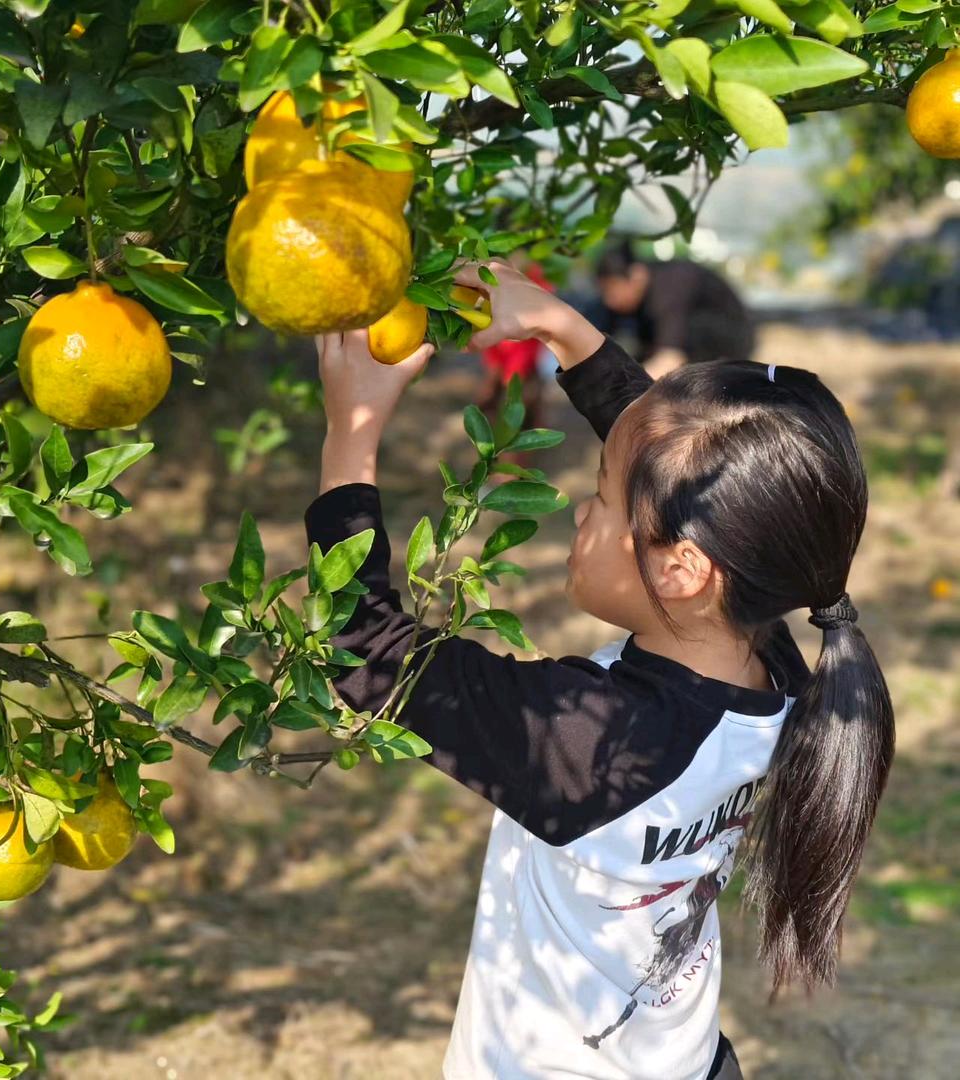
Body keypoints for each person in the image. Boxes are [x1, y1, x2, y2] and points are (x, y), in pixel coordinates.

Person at [306, 261, 894, 1080]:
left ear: (686, 568)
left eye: (600, 498)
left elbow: (364, 651)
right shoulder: (774, 665)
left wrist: (350, 436)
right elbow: (674, 462)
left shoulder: (586, 742)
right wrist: (566, 332)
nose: (581, 511)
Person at [591, 239, 755, 379]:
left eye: (611, 290)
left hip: (727, 349)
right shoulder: (634, 297)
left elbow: (670, 358)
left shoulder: (670, 286)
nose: (609, 300)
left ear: (636, 276)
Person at [475, 261, 554, 461]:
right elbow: (485, 322)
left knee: (521, 415)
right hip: (504, 362)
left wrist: (513, 373)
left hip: (523, 367)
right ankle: (497, 462)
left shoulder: (535, 279)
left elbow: (533, 332)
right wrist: (493, 367)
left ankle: (515, 466)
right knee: (494, 411)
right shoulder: (492, 274)